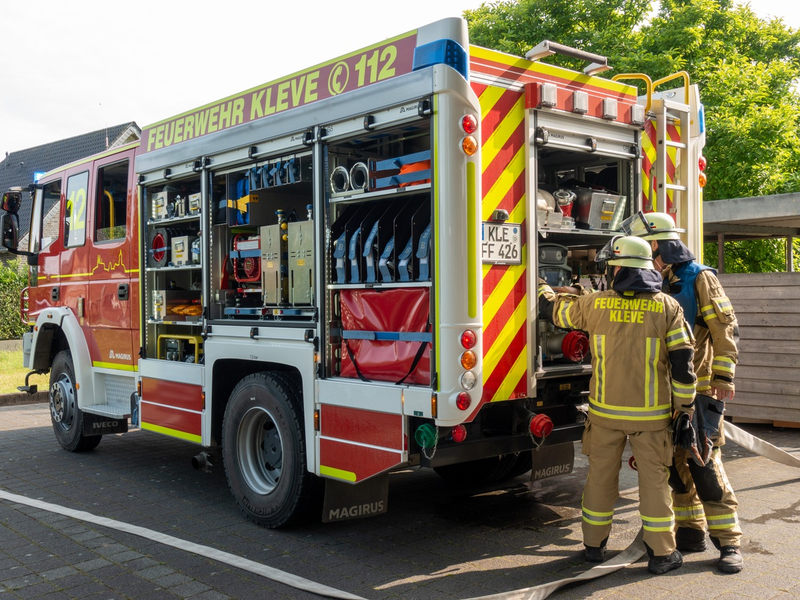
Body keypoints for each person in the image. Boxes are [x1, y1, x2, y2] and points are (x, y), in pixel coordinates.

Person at [538, 235, 697, 575]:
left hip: (605, 414)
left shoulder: (594, 304)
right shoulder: (667, 307)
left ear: (618, 268)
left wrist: (539, 285)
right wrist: (685, 409)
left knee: (599, 479)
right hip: (652, 419)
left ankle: (594, 548)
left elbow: (553, 311)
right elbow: (684, 364)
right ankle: (661, 555)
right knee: (654, 483)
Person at [630, 211, 743, 574]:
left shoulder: (700, 278)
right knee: (674, 468)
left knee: (704, 465)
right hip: (661, 393)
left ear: (657, 244)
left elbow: (726, 332)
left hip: (699, 389)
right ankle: (690, 532)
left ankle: (728, 543)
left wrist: (723, 378)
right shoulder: (650, 280)